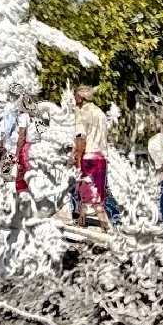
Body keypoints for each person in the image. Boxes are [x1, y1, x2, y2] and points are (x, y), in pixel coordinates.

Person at [70, 85, 120, 228]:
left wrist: (78, 160)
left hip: (88, 156)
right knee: (96, 194)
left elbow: (81, 138)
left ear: (81, 97)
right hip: (101, 157)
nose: (74, 99)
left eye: (75, 96)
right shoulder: (100, 113)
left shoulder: (81, 113)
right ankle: (93, 222)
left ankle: (94, 225)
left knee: (85, 193)